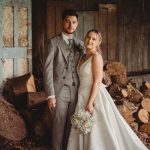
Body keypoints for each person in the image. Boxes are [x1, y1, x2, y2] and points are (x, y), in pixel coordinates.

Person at [67, 29, 148, 150]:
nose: (90, 40)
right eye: (88, 37)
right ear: (84, 39)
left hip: (94, 96)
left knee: (96, 129)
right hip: (82, 94)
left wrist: (90, 102)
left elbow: (97, 81)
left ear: (98, 43)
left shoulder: (96, 57)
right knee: (83, 125)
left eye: (94, 39)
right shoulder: (82, 57)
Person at [43, 9, 84, 150]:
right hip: (59, 90)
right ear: (62, 22)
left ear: (77, 24)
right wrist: (50, 95)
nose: (70, 25)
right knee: (58, 125)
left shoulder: (80, 44)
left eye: (73, 22)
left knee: (71, 125)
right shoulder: (53, 42)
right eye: (67, 21)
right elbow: (47, 69)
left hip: (76, 89)